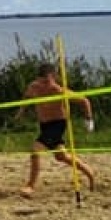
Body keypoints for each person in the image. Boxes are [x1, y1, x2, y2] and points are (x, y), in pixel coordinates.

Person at [13, 62, 96, 197]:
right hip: (44, 125)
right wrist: (21, 112)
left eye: (48, 81)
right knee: (61, 156)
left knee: (35, 150)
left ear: (54, 77)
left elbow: (84, 101)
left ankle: (30, 186)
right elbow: (27, 97)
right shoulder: (34, 87)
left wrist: (89, 120)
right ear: (38, 79)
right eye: (42, 81)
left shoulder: (58, 90)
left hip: (57, 124)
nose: (45, 84)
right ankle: (89, 172)